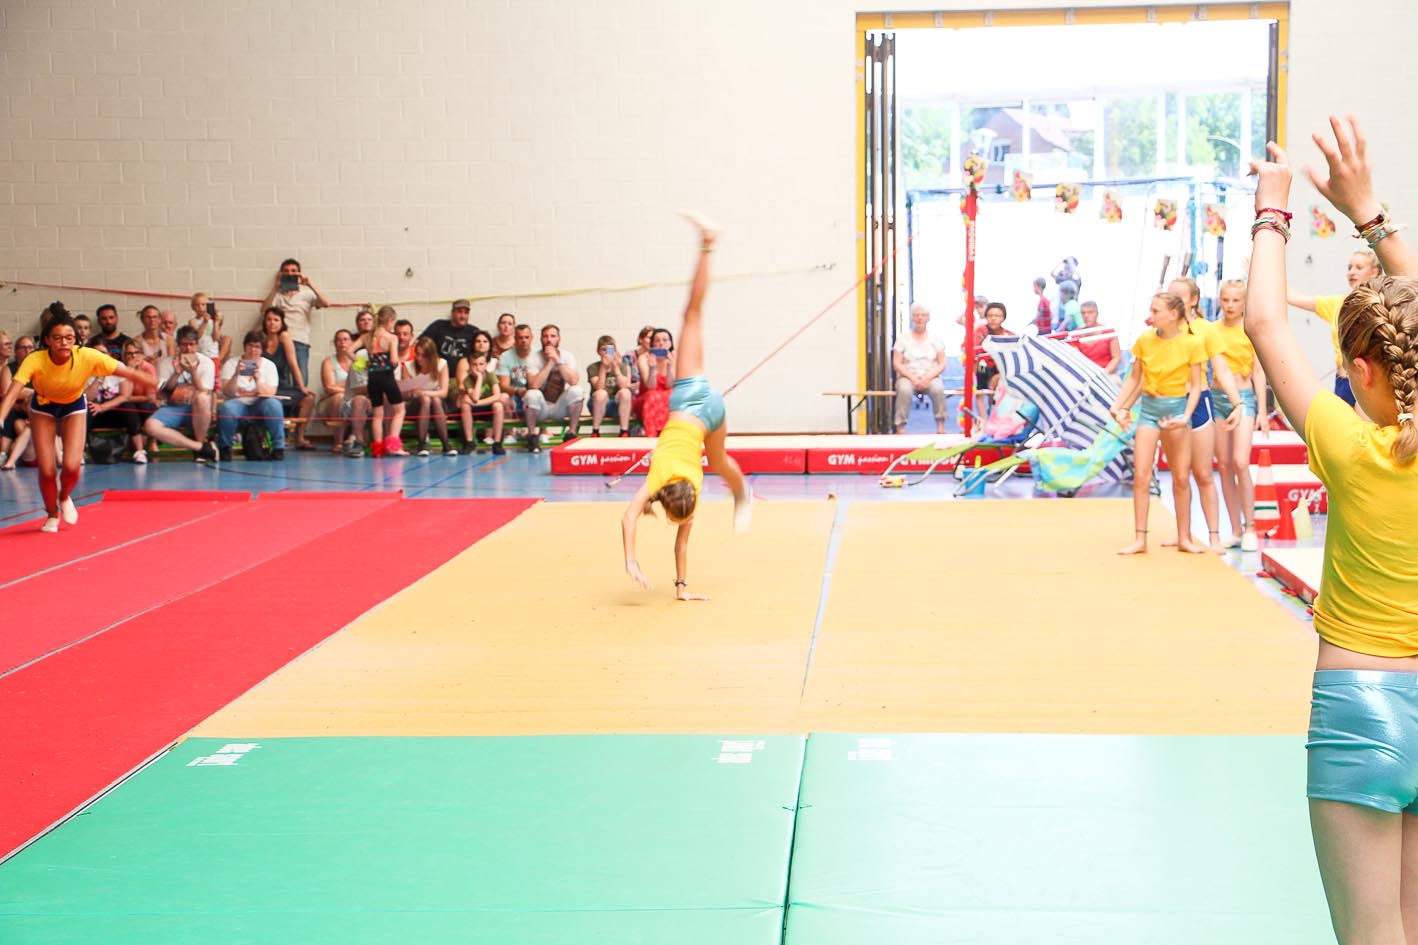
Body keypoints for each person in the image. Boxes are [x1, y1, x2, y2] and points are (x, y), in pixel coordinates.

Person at [1245, 114, 1418, 945]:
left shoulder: (1352, 447)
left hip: (1362, 705)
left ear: (1359, 372)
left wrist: (1272, 208)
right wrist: (1370, 213)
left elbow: (1265, 323)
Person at [621, 213, 751, 600]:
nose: (683, 522)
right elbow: (628, 518)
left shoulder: (687, 488)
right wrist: (633, 561)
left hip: (709, 410)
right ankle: (742, 495)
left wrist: (640, 566)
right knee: (691, 315)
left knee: (718, 463)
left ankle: (741, 495)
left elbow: (671, 538)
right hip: (692, 397)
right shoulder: (659, 482)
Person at [0, 312, 155, 531]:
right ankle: (52, 514)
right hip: (43, 407)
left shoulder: (87, 356)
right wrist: (1, 416)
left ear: (75, 339)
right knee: (47, 470)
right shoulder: (35, 359)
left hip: (73, 407)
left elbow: (124, 370)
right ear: (47, 340)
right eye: (58, 338)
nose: (64, 342)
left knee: (71, 467)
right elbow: (13, 391)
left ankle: (64, 496)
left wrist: (147, 379)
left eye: (69, 338)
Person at [1108, 292, 1207, 555]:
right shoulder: (1145, 341)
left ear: (1173, 315)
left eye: (1155, 311)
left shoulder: (1192, 343)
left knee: (1181, 477)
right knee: (1141, 475)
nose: (1150, 316)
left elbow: (1196, 386)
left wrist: (1185, 417)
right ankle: (1140, 538)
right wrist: (1119, 406)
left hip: (1176, 411)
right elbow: (1134, 378)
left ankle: (1184, 537)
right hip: (1150, 411)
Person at [1164, 276, 1241, 553]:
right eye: (1170, 295)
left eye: (1179, 296)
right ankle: (1182, 534)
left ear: (1194, 299)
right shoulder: (1164, 329)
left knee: (1204, 473)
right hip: (1171, 402)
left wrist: (1237, 403)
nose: (1173, 301)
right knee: (1179, 475)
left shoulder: (1206, 329)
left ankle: (1214, 536)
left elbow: (1221, 368)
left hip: (1199, 404)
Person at [1210, 279, 1269, 552]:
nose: (1230, 305)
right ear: (1219, 301)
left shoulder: (1250, 330)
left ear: (1244, 303)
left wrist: (1263, 411)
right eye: (1226, 300)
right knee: (1223, 465)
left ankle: (1250, 527)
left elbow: (1259, 371)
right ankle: (1234, 529)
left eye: (1236, 300)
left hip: (1243, 398)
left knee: (1240, 461)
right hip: (1218, 398)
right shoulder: (1213, 330)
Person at [1288, 248, 1383, 408]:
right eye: (1349, 267)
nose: (1352, 272)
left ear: (1374, 272)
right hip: (1343, 382)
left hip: (1369, 384)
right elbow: (1293, 297)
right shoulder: (1338, 304)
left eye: (1359, 267)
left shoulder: (1381, 305)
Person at [143, 326, 219, 464]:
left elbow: (204, 392)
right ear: (178, 345)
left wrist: (193, 372)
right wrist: (176, 374)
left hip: (198, 409)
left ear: (197, 344)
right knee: (150, 425)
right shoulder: (166, 363)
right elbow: (163, 394)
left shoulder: (207, 363)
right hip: (174, 407)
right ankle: (201, 447)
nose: (188, 348)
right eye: (184, 344)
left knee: (202, 399)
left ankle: (200, 443)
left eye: (191, 344)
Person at [262, 258, 330, 393]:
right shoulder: (277, 295)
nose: (290, 274)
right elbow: (264, 310)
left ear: (299, 273)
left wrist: (309, 284)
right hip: (280, 341)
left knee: (301, 379)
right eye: (286, 271)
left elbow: (326, 303)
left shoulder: (306, 293)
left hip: (300, 341)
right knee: (282, 378)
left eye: (294, 271)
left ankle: (300, 403)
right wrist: (276, 287)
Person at [218, 331, 286, 461]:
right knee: (226, 408)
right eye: (250, 345)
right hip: (238, 403)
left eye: (257, 347)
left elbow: (270, 392)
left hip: (260, 404)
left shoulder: (269, 366)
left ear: (262, 349)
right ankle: (225, 448)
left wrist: (257, 380)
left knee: (274, 405)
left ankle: (278, 448)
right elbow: (227, 392)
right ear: (245, 346)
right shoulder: (232, 363)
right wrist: (236, 375)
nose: (253, 350)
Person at [87, 340, 157, 463]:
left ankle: (139, 451)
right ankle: (80, 452)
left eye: (103, 353)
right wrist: (98, 378)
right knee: (83, 408)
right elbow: (88, 397)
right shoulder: (84, 369)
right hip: (95, 413)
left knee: (127, 405)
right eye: (96, 353)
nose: (100, 356)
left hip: (114, 410)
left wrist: (102, 407)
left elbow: (125, 396)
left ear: (109, 354)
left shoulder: (118, 366)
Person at [259, 306, 316, 449]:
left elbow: (293, 364)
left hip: (282, 386)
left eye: (276, 320)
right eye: (269, 320)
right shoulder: (260, 339)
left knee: (309, 398)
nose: (272, 323)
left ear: (282, 322)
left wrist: (302, 387)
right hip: (264, 388)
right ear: (264, 322)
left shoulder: (284, 337)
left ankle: (299, 437)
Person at [891, 303, 947, 435]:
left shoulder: (936, 339)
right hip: (907, 376)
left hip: (930, 376)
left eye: (923, 315)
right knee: (904, 390)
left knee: (938, 389)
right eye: (916, 315)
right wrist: (913, 378)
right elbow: (896, 363)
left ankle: (940, 426)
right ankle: (900, 427)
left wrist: (927, 378)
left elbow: (942, 363)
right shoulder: (902, 339)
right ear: (912, 318)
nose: (920, 318)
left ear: (928, 318)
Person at [362, 305, 408, 457]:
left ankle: (378, 449)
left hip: (372, 377)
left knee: (377, 414)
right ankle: (393, 446)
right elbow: (394, 360)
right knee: (400, 410)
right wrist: (392, 364)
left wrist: (363, 364)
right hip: (386, 376)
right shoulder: (391, 337)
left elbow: (349, 351)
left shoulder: (368, 337)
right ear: (390, 321)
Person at [319, 329, 370, 455]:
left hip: (354, 396)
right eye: (338, 340)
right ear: (334, 343)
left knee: (360, 400)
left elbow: (363, 383)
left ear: (352, 342)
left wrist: (346, 387)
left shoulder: (359, 360)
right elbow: (329, 387)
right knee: (339, 397)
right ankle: (338, 441)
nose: (342, 342)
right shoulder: (328, 362)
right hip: (332, 400)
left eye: (346, 339)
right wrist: (348, 389)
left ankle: (354, 437)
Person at [404, 337, 454, 457]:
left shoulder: (441, 364)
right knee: (426, 400)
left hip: (437, 405)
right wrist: (416, 393)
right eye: (418, 354)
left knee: (435, 400)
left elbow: (444, 392)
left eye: (423, 355)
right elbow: (407, 393)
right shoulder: (408, 366)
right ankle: (421, 444)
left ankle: (445, 444)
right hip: (415, 405)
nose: (419, 358)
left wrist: (423, 392)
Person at [456, 350, 506, 455]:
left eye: (481, 364)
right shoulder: (467, 380)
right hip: (474, 411)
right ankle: (469, 442)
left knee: (498, 405)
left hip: (488, 408)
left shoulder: (490, 375)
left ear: (486, 365)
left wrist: (478, 403)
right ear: (470, 366)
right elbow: (475, 397)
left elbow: (497, 395)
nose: (478, 367)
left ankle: (497, 443)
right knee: (465, 404)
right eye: (474, 364)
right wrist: (479, 378)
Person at [420, 299, 481, 379]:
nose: (463, 316)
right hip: (437, 376)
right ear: (452, 313)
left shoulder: (473, 331)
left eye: (466, 313)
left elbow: (482, 353)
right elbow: (419, 344)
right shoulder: (439, 326)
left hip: (463, 378)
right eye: (459, 312)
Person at [588, 334, 633, 437]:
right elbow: (599, 387)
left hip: (617, 406)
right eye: (604, 350)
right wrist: (603, 367)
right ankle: (595, 431)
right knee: (601, 393)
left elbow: (624, 386)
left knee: (625, 392)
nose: (607, 353)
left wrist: (616, 368)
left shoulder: (622, 367)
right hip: (597, 404)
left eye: (610, 350)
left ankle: (624, 431)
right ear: (598, 351)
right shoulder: (593, 367)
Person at [634, 328, 676, 438]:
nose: (661, 343)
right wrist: (652, 368)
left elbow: (670, 385)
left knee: (673, 396)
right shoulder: (644, 358)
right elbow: (650, 386)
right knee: (652, 395)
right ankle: (652, 435)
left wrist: (670, 367)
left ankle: (670, 434)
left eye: (665, 340)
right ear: (652, 343)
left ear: (671, 343)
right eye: (657, 340)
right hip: (647, 397)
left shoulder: (674, 357)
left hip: (667, 396)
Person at [1075, 301, 1121, 374]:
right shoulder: (1076, 334)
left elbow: (1116, 358)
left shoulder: (1108, 332)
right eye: (1083, 313)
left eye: (1090, 312)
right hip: (1084, 375)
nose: (1086, 316)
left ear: (1097, 313)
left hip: (1107, 374)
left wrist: (1104, 373)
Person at [188, 292, 230, 363]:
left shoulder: (213, 321)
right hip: (200, 356)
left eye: (203, 304)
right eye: (197, 305)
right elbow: (196, 337)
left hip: (213, 355)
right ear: (193, 307)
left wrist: (216, 322)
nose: (200, 307)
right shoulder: (192, 321)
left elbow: (216, 338)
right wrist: (204, 322)